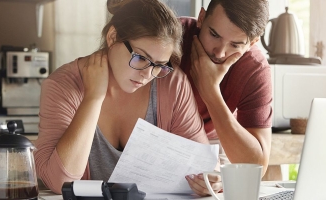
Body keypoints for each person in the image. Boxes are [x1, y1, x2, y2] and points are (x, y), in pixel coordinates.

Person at [34, 0, 209, 194]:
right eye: (141, 57)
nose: (147, 75)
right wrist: (93, 98)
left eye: (159, 65)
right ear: (112, 36)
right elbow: (60, 182)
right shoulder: (63, 85)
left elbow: (200, 167)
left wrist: (209, 181)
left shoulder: (172, 83)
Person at [181, 0, 273, 196]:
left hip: (215, 141)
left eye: (235, 45)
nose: (219, 53)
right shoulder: (172, 36)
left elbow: (256, 166)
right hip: (157, 132)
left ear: (253, 42)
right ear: (201, 17)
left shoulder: (255, 69)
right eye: (214, 35)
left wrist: (210, 91)